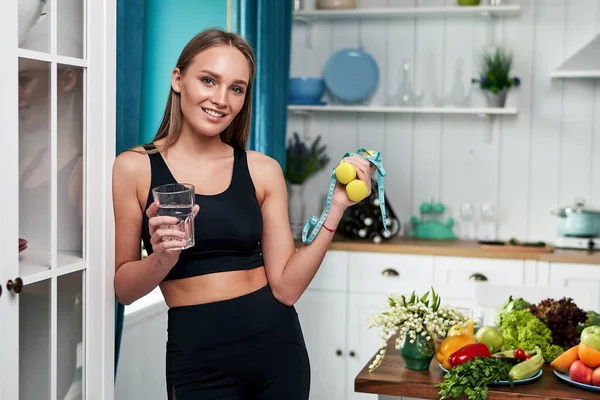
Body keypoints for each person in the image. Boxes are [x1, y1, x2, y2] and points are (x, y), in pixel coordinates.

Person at [112, 28, 374, 400]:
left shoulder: (262, 170)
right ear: (177, 79)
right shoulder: (133, 168)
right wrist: (162, 258)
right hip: (196, 360)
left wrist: (336, 209)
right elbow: (123, 289)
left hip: (277, 348)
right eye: (208, 80)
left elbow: (286, 287)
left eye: (236, 88)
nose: (221, 99)